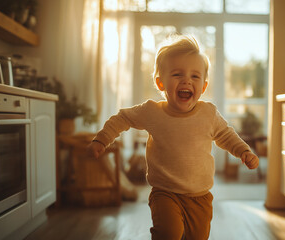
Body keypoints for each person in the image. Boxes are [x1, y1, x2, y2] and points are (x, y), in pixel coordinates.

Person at [87, 35, 260, 240]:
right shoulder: (152, 112)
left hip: (200, 196)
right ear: (161, 83)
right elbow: (123, 117)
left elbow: (227, 135)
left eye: (195, 76)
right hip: (165, 192)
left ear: (203, 87)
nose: (187, 80)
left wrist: (244, 151)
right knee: (168, 233)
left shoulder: (208, 114)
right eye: (177, 74)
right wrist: (102, 139)